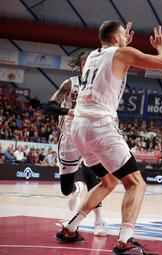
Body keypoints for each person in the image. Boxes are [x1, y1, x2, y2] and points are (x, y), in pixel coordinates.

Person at [54, 21, 162, 255]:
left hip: (78, 127)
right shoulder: (121, 52)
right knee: (136, 184)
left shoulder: (91, 57)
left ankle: (69, 228)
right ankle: (125, 241)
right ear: (117, 38)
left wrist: (122, 43)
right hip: (99, 126)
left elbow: (113, 61)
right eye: (123, 36)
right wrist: (161, 46)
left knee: (108, 181)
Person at [46, 51, 107, 236]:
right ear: (81, 66)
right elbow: (50, 106)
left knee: (91, 176)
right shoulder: (70, 83)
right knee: (66, 189)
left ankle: (99, 220)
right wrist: (69, 112)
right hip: (69, 139)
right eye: (85, 63)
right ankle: (75, 190)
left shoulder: (101, 85)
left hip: (90, 136)